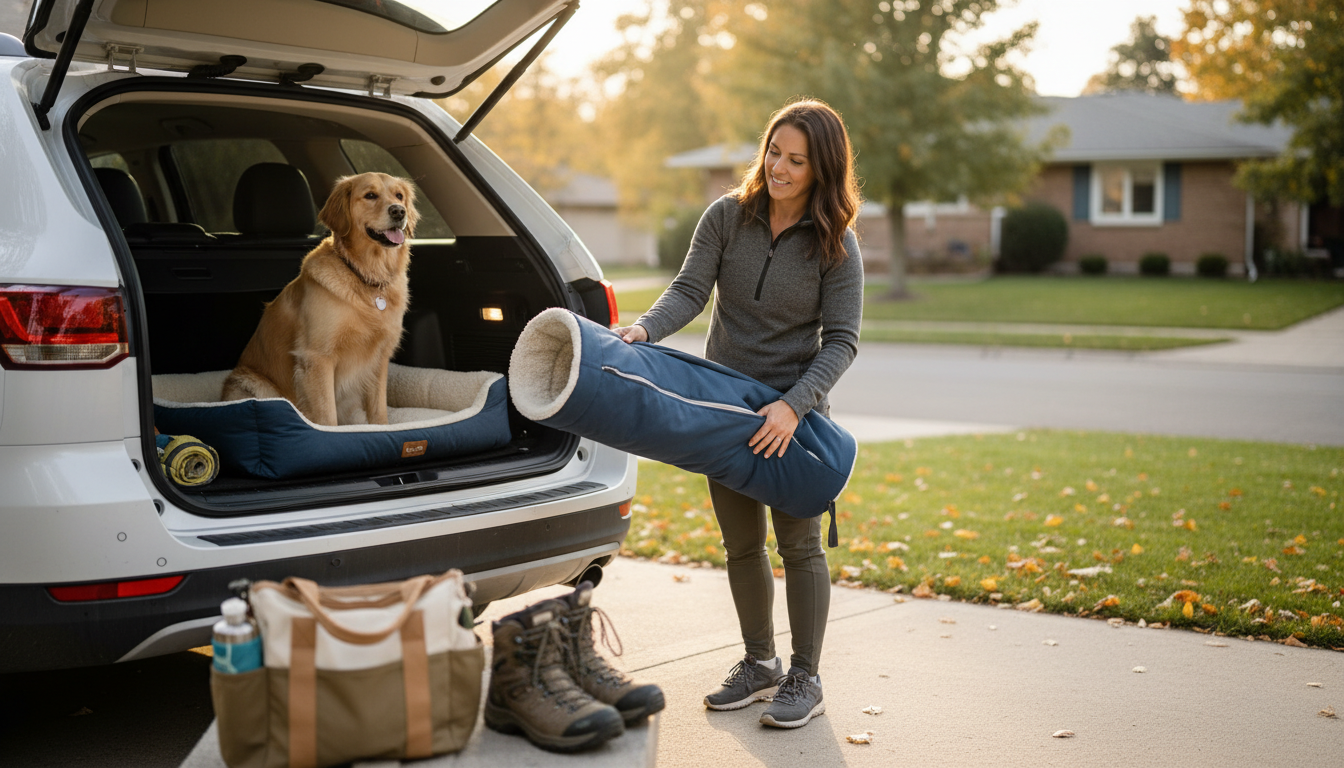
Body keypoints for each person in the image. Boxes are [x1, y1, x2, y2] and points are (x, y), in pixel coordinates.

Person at [614, 99, 863, 729]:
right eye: (774, 151)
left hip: (792, 417)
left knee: (801, 547)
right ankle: (760, 664)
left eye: (796, 160)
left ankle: (805, 676)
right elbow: (690, 291)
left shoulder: (837, 243)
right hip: (725, 407)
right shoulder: (726, 216)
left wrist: (793, 406)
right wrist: (645, 330)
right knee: (741, 545)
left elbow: (842, 341)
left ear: (821, 170)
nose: (778, 167)